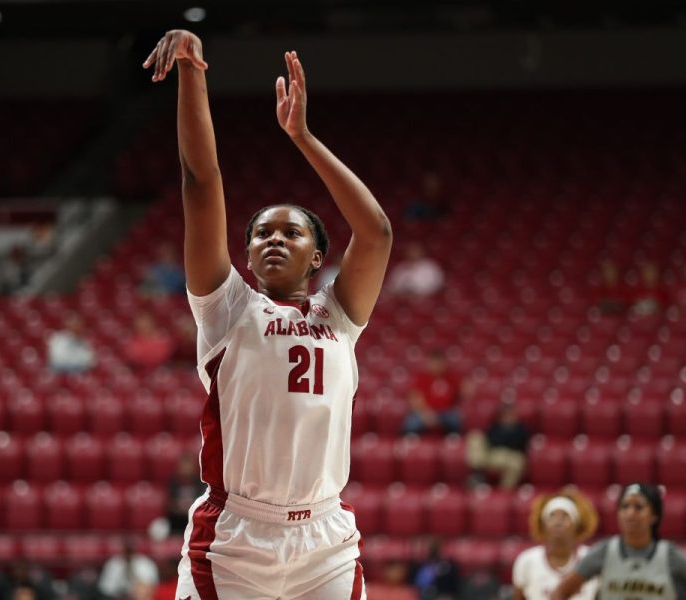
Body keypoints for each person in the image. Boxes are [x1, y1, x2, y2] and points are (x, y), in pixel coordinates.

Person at [143, 29, 392, 598]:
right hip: (236, 539)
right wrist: (191, 72)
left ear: (318, 255)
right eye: (260, 232)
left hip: (324, 540)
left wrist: (302, 136)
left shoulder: (340, 314)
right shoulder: (227, 307)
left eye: (292, 231)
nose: (273, 239)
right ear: (247, 252)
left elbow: (375, 231)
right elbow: (200, 182)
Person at [550, 483, 686, 600]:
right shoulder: (603, 552)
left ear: (654, 516)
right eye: (624, 507)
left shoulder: (672, 557)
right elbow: (559, 593)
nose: (630, 513)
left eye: (638, 507)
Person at [513, 488, 599, 600]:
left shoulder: (591, 558)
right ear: (542, 526)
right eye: (552, 516)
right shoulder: (526, 561)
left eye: (565, 516)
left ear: (577, 526)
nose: (558, 521)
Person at [402, 348, 470, 435]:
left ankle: (454, 442)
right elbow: (414, 398)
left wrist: (466, 390)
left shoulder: (451, 378)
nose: (437, 366)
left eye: (439, 363)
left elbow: (462, 395)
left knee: (455, 418)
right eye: (434, 363)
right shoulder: (421, 378)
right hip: (426, 411)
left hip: (446, 412)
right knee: (412, 422)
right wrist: (425, 413)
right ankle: (409, 443)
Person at [465, 401, 530, 489]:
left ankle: (503, 493)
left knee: (517, 463)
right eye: (505, 414)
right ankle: (477, 473)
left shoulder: (520, 429)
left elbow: (519, 445)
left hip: (509, 457)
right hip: (491, 456)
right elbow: (490, 441)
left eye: (510, 414)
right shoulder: (495, 426)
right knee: (475, 436)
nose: (508, 417)